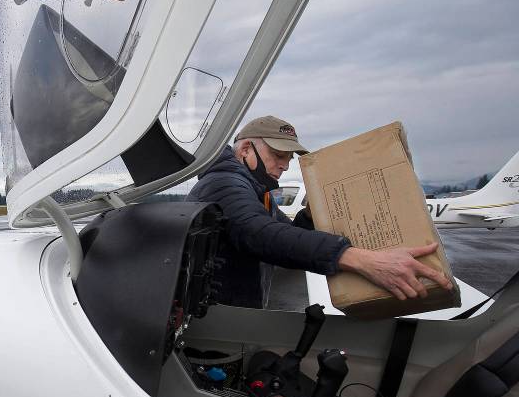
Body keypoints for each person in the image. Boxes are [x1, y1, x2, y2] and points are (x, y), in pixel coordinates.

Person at [185, 115, 452, 308]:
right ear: (245, 149)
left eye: (289, 159)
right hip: (215, 326)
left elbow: (285, 237)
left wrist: (310, 216)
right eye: (278, 155)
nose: (285, 166)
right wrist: (359, 259)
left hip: (239, 317)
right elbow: (257, 233)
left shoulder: (257, 193)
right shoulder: (224, 181)